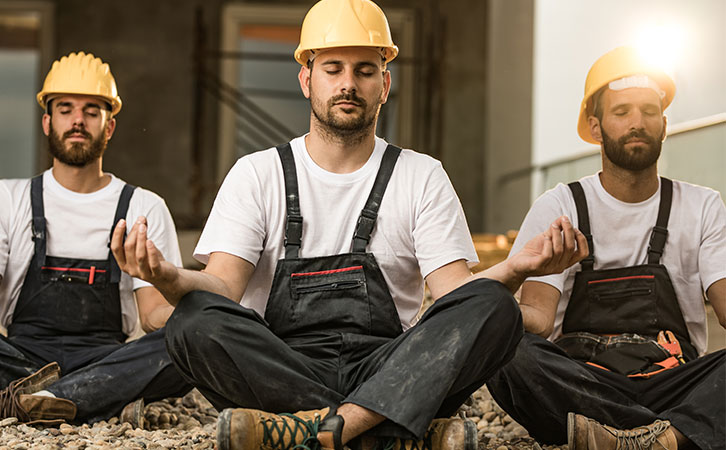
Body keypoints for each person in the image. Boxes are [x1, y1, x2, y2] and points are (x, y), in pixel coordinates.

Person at [112, 1, 586, 449]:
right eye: (333, 69)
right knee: (192, 321)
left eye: (364, 70)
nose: (348, 84)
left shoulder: (420, 175)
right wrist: (167, 277)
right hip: (281, 366)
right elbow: (222, 287)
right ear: (306, 79)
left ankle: (319, 430)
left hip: (387, 364)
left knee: (495, 307)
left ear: (385, 82)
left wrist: (518, 268)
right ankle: (388, 430)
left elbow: (455, 295)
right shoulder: (258, 173)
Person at [487, 46, 726, 450]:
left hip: (673, 383)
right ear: (596, 127)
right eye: (622, 112)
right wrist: (489, 310)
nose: (638, 123)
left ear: (665, 125)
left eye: (649, 111)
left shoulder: (702, 206)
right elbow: (541, 322)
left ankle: (617, 439)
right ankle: (673, 437)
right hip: (583, 385)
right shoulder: (560, 206)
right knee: (508, 352)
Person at [0, 51, 190, 425]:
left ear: (109, 126)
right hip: (21, 356)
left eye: (91, 111)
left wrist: (194, 315)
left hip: (105, 359)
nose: (77, 121)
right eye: (66, 108)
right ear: (46, 121)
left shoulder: (143, 207)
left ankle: (36, 399)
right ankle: (94, 399)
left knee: (190, 344)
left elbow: (152, 316)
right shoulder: (7, 199)